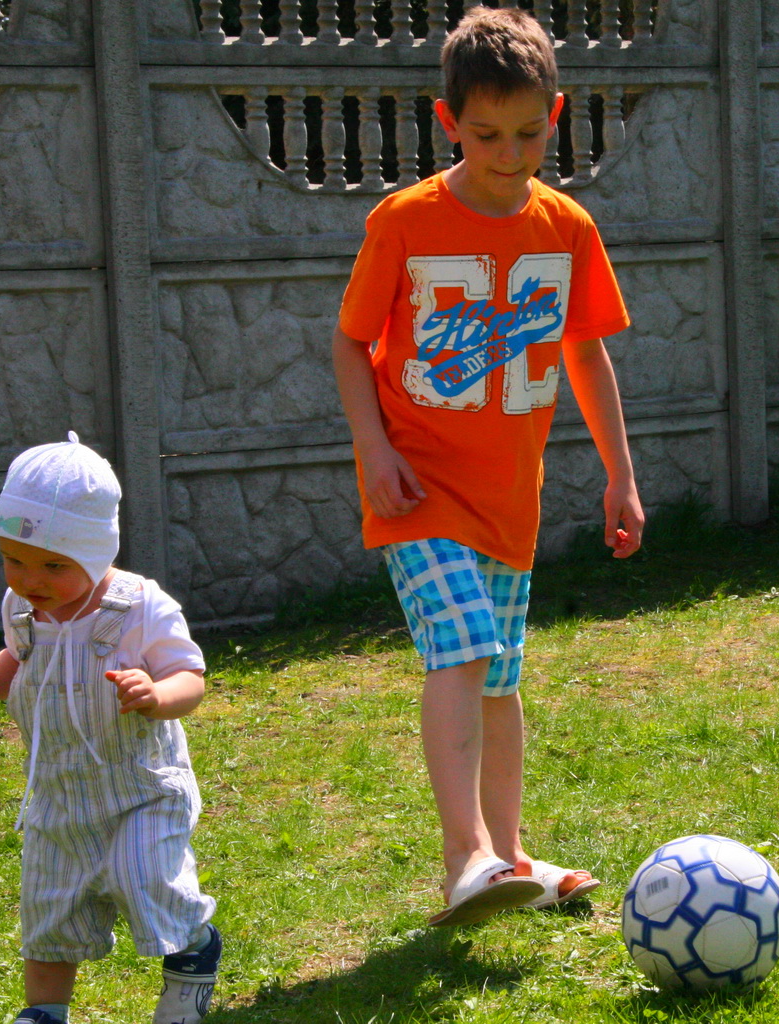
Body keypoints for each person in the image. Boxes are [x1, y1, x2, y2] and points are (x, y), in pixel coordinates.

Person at [331, 6, 645, 927]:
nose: (510, 154)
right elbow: (350, 344)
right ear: (448, 124)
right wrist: (373, 448)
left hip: (511, 505)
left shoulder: (568, 227)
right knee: (465, 647)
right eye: (485, 135)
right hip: (417, 493)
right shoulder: (405, 221)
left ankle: (510, 860)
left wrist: (621, 475)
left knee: (501, 680)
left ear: (558, 114)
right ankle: (465, 857)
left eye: (529, 133)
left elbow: (585, 352)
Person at [0, 433, 221, 1024]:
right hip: (58, 793)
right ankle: (44, 1012)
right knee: (49, 908)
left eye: (54, 566)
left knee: (146, 880)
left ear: (96, 551)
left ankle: (194, 951)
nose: (31, 579)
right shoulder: (22, 608)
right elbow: (18, 662)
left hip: (140, 789)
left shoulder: (139, 608)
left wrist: (157, 695)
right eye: (14, 560)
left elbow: (191, 677)